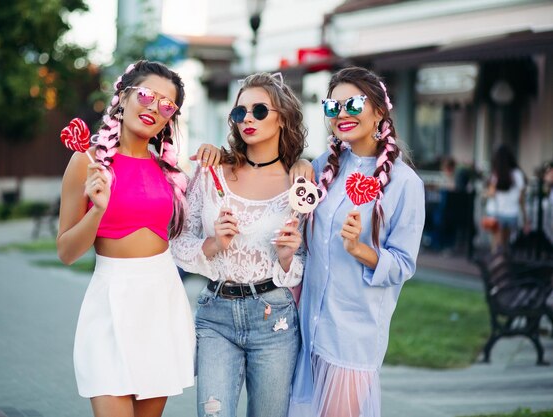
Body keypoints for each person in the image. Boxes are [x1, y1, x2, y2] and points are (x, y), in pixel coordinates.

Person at [57, 60, 196, 417]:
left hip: (161, 302)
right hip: (110, 302)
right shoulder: (86, 162)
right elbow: (67, 252)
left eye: (167, 105)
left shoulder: (169, 171)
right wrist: (97, 211)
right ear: (122, 96)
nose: (154, 108)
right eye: (147, 95)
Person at [287, 66, 425, 417]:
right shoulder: (323, 166)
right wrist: (301, 164)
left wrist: (360, 250)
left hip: (352, 332)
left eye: (353, 104)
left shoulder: (405, 183)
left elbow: (404, 265)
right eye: (332, 107)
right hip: (308, 327)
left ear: (379, 110)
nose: (342, 114)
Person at [171, 72, 306, 417]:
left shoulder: (300, 182)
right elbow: (181, 240)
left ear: (283, 117)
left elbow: (306, 261)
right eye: (239, 112)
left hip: (274, 319)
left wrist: (288, 257)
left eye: (259, 110)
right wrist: (214, 243)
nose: (247, 118)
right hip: (216, 315)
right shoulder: (212, 172)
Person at [484, 143, 529, 253]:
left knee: (495, 244)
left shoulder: (495, 174)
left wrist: (485, 193)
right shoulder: (518, 174)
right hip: (511, 212)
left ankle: (496, 266)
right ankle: (503, 265)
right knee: (505, 243)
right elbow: (521, 199)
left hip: (495, 212)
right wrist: (525, 218)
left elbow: (490, 193)